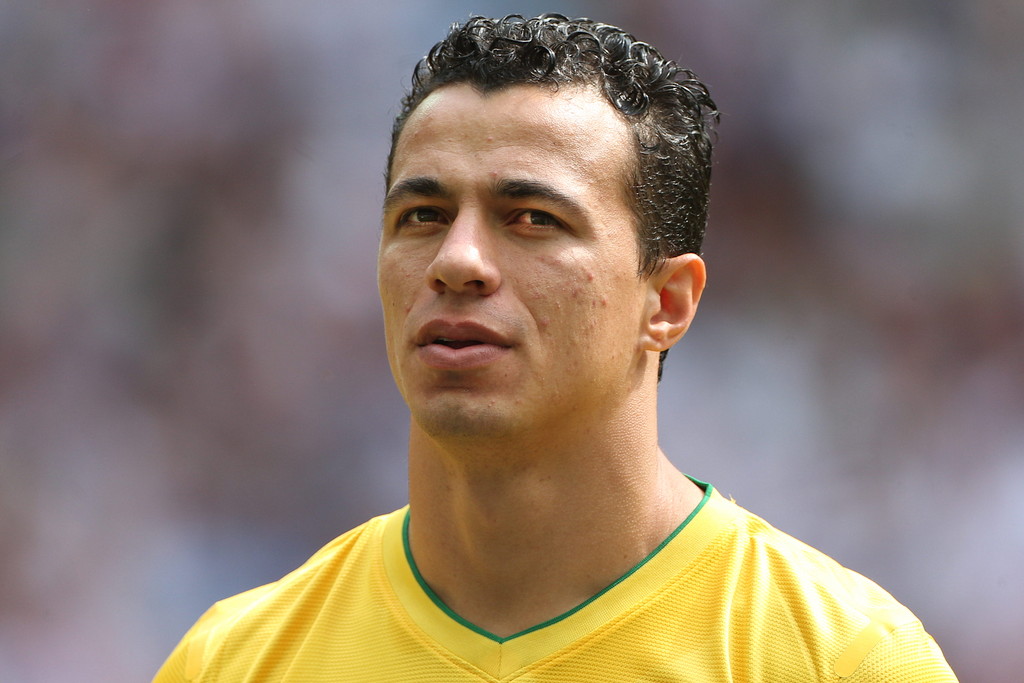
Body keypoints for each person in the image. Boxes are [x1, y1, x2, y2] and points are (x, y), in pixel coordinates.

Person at [153, 14, 957, 682]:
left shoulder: (841, 660)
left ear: (667, 302)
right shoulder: (233, 661)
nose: (457, 260)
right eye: (423, 216)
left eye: (533, 219)